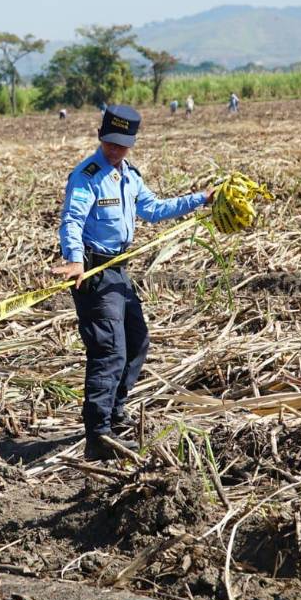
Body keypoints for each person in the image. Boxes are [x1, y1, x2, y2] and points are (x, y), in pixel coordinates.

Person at [53, 105, 214, 461]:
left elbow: (153, 210)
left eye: (122, 145)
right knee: (109, 351)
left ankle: (114, 414)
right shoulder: (86, 175)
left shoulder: (130, 176)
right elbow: (72, 220)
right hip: (93, 274)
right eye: (110, 143)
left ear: (131, 145)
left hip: (118, 271)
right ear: (100, 137)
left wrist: (200, 199)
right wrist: (75, 259)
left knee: (138, 342)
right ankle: (98, 436)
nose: (115, 151)